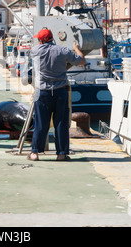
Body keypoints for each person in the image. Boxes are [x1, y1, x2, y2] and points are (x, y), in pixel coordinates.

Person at [27, 28, 85, 161]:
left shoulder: (35, 50)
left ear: (40, 40)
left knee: (41, 123)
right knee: (61, 123)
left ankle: (35, 153)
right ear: (52, 38)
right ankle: (61, 154)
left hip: (42, 92)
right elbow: (81, 61)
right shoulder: (62, 51)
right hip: (60, 91)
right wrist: (75, 48)